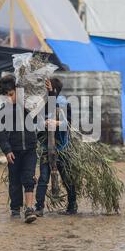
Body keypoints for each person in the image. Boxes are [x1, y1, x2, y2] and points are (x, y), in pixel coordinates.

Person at [0, 75, 37, 224]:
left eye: (11, 94)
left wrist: (49, 92)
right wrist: (7, 150)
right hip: (14, 151)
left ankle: (29, 209)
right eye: (5, 96)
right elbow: (1, 134)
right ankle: (15, 207)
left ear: (18, 91)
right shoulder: (2, 112)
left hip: (30, 150)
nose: (9, 98)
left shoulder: (28, 107)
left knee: (28, 178)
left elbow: (43, 109)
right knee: (14, 181)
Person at [35, 78, 77, 216]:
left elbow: (69, 124)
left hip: (63, 148)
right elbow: (36, 125)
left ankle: (72, 206)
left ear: (55, 91)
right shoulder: (42, 106)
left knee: (67, 177)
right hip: (46, 148)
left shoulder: (64, 105)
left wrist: (57, 123)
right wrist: (44, 124)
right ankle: (39, 207)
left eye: (49, 90)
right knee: (43, 178)